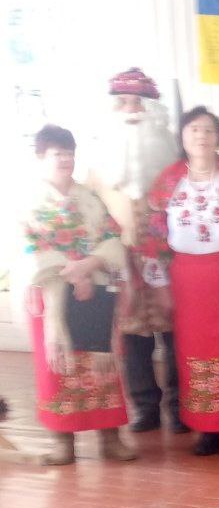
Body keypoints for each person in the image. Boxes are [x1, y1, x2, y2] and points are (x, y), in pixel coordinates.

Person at [140, 106, 219, 457]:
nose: (201, 136)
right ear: (182, 136)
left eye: (208, 130)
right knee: (194, 352)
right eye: (194, 129)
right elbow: (155, 237)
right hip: (187, 280)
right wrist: (159, 284)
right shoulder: (167, 181)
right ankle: (207, 429)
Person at [22, 125, 136, 466]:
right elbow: (29, 247)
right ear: (41, 157)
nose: (65, 160)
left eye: (69, 153)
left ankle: (110, 437)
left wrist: (89, 264)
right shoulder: (29, 201)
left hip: (94, 289)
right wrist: (68, 272)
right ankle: (62, 441)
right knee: (58, 367)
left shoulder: (90, 198)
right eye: (57, 153)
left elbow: (112, 237)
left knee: (102, 366)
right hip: (51, 296)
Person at [86, 67, 186, 434]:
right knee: (131, 336)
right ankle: (145, 406)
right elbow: (89, 218)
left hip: (169, 262)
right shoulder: (97, 167)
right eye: (123, 102)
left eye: (137, 103)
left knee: (175, 334)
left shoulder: (176, 161)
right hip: (122, 263)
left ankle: (179, 406)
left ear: (152, 109)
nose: (130, 110)